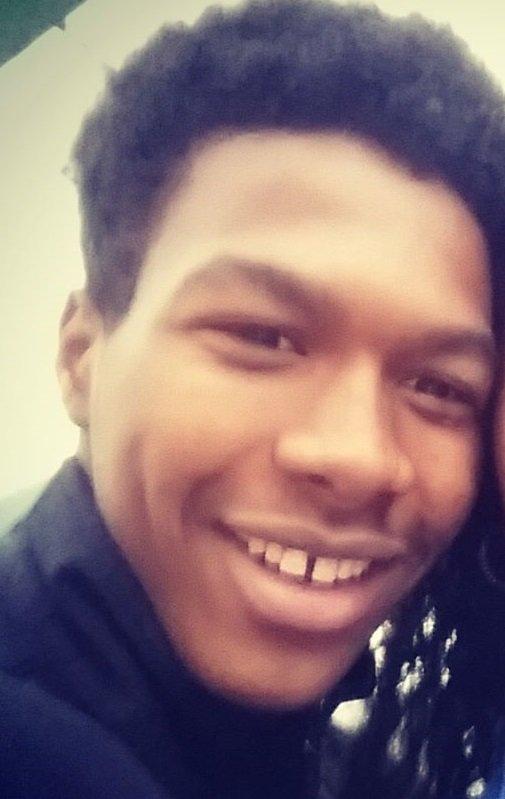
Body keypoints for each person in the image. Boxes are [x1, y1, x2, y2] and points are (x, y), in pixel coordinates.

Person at [2, 1, 505, 797]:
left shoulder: (356, 769)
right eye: (263, 337)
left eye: (436, 385)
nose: (358, 457)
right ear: (80, 353)